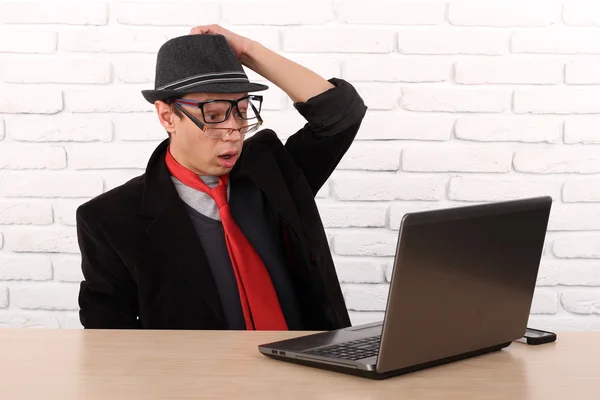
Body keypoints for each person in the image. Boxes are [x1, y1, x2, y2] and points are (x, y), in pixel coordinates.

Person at [76, 24, 368, 330]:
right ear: (166, 116)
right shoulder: (109, 220)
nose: (233, 131)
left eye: (242, 111)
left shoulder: (273, 172)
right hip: (199, 376)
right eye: (213, 116)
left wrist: (248, 51)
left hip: (306, 369)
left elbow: (340, 114)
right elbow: (107, 343)